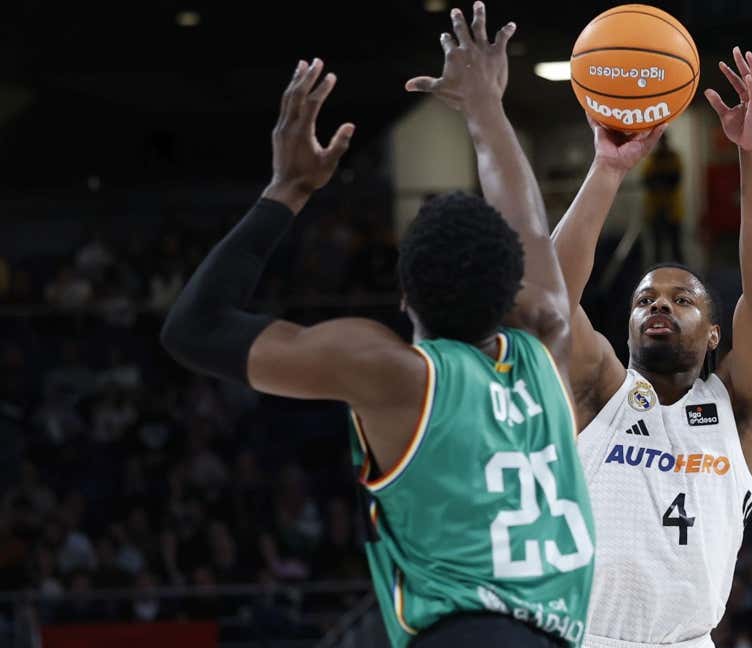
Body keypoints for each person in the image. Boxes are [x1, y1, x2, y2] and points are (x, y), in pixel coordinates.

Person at [161, 4, 594, 646]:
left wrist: (287, 189)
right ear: (514, 289)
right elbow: (527, 220)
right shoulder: (547, 335)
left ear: (403, 295)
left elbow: (193, 329)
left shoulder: (396, 375)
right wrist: (485, 108)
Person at [552, 46, 752, 647]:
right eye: (643, 300)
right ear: (627, 326)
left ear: (715, 334)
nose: (658, 304)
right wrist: (606, 169)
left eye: (682, 299)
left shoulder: (739, 414)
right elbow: (549, 297)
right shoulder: (598, 391)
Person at [642, 132, 684, 262]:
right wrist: (662, 180)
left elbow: (675, 180)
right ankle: (657, 277)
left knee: (676, 248)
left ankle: (680, 277)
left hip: (672, 210)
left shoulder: (674, 158)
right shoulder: (652, 160)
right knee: (657, 250)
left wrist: (659, 181)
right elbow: (646, 181)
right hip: (655, 211)